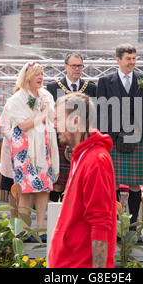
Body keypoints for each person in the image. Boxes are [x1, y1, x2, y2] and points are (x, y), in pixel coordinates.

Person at [49, 93, 116, 268]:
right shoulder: (82, 156)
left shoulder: (96, 160)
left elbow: (100, 222)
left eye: (58, 119)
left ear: (75, 121)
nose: (54, 125)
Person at [96, 43, 143, 230]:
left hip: (137, 136)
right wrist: (101, 140)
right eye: (128, 59)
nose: (132, 62)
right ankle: (113, 224)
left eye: (134, 58)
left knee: (135, 184)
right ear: (118, 60)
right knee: (111, 184)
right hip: (112, 138)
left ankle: (132, 227)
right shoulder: (106, 81)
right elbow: (101, 112)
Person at [5, 62, 59, 241]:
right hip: (25, 148)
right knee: (25, 189)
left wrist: (46, 115)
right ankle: (26, 229)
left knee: (43, 188)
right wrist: (42, 115)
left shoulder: (46, 95)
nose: (40, 77)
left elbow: (52, 118)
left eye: (42, 73)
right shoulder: (17, 99)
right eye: (36, 74)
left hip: (43, 145)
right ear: (27, 77)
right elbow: (24, 124)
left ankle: (41, 229)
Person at [46, 52, 97, 202]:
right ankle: (57, 219)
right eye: (73, 66)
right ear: (66, 67)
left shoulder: (91, 88)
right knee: (58, 184)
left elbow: (94, 117)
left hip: (83, 141)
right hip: (61, 140)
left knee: (81, 182)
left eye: (80, 66)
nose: (77, 69)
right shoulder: (53, 87)